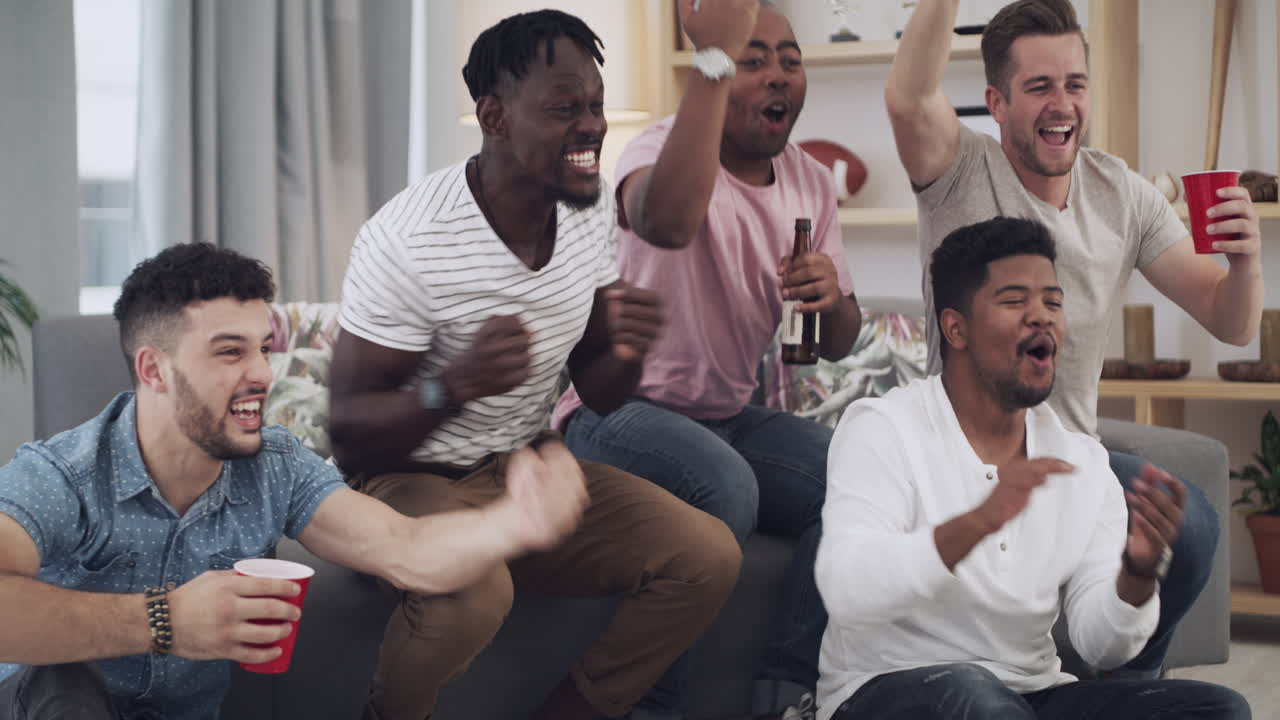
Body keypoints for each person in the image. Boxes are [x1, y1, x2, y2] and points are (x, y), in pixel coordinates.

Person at [327, 9, 742, 720]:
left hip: (522, 468)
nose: (590, 126)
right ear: (493, 116)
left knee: (707, 555)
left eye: (595, 106)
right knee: (477, 597)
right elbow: (349, 434)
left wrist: (623, 349)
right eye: (562, 108)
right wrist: (452, 388)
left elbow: (601, 394)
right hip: (406, 475)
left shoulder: (583, 212)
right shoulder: (409, 239)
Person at [0, 243, 590, 720]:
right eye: (230, 353)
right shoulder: (65, 475)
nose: (261, 373)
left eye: (263, 348)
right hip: (52, 708)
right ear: (154, 369)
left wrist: (512, 523)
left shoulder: (274, 464)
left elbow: (406, 550)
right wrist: (167, 620)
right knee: (63, 688)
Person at [886, 0, 1265, 678]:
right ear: (996, 103)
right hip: (964, 463)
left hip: (1072, 461)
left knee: (1194, 527)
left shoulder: (1119, 191)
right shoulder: (957, 172)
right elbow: (909, 94)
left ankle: (1123, 690)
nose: (1062, 104)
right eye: (1039, 87)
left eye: (1075, 83)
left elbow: (1229, 320)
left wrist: (1245, 263)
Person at [552, 1, 860, 717]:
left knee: (857, 476)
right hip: (613, 412)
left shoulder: (811, 181)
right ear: (717, 72)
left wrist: (830, 301)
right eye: (753, 60)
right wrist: (712, 59)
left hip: (728, 415)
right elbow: (665, 222)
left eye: (790, 58)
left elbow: (840, 341)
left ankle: (787, 691)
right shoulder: (655, 149)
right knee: (725, 488)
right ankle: (654, 705)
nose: (778, 76)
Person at [815, 216, 1250, 720]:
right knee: (974, 694)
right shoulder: (882, 428)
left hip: (1029, 697)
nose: (1042, 316)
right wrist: (979, 521)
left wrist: (1135, 573)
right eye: (1015, 300)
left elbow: (1100, 646)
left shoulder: (1080, 461)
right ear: (956, 328)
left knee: (1220, 710)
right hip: (886, 693)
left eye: (1053, 301)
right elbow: (849, 588)